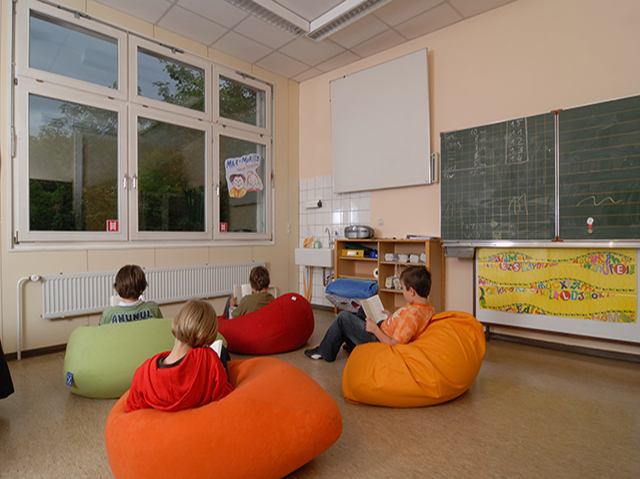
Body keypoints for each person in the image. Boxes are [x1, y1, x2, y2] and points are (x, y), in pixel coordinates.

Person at [305, 265, 435, 362]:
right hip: (384, 328)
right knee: (363, 308)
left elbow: (394, 345)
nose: (402, 292)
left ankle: (325, 352)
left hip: (379, 338)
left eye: (403, 289)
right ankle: (352, 344)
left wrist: (374, 329)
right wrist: (392, 316)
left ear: (411, 291)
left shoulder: (412, 315)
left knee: (343, 317)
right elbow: (406, 324)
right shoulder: (427, 307)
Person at [126, 298, 233, 413]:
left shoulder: (142, 373)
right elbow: (224, 396)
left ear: (177, 321)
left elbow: (132, 411)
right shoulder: (209, 359)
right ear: (207, 334)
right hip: (200, 425)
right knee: (222, 352)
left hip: (159, 428)